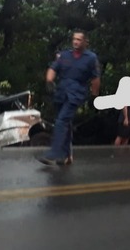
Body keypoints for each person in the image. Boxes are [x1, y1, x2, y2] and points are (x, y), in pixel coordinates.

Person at [38, 30, 101, 166]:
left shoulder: (91, 58)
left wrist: (94, 96)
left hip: (76, 94)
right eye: (74, 39)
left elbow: (95, 79)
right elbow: (53, 68)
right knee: (65, 123)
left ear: (85, 42)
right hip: (61, 93)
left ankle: (54, 154)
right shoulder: (65, 55)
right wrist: (49, 80)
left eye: (79, 39)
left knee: (61, 122)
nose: (76, 42)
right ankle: (67, 155)